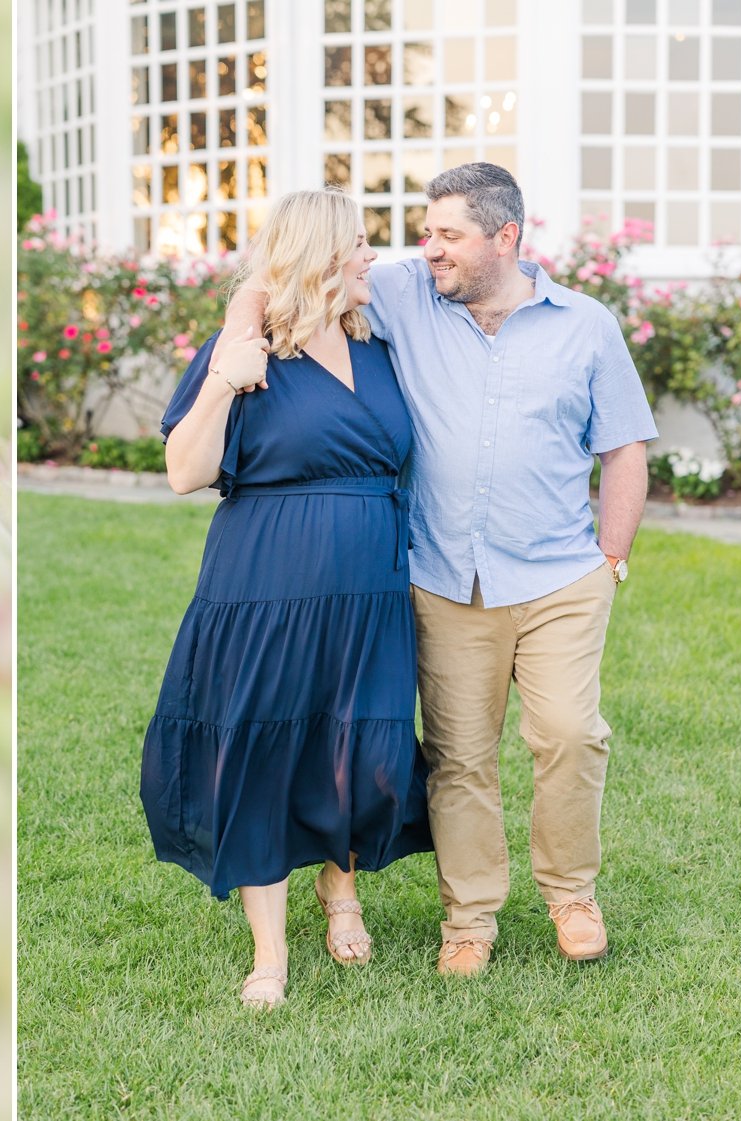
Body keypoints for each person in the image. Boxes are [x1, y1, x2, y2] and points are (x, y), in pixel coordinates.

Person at [213, 163, 657, 977]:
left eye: (448, 234)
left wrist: (612, 557)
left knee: (569, 735)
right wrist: (240, 330)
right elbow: (286, 273)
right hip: (447, 577)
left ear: (506, 238)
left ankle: (571, 894)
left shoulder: (586, 326)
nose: (429, 248)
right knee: (459, 756)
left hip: (560, 575)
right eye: (427, 233)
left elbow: (625, 443)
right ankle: (469, 919)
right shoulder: (409, 293)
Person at [140, 188, 433, 1011]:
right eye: (359, 244)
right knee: (262, 747)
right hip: (267, 584)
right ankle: (269, 949)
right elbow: (184, 471)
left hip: (370, 584)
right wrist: (225, 383)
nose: (372, 257)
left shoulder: (378, 347)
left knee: (354, 741)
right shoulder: (247, 349)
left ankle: (341, 891)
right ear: (319, 255)